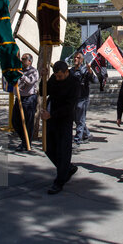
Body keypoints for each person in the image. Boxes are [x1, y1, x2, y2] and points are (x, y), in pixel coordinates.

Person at [42, 61, 80, 194]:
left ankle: (59, 181)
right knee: (48, 147)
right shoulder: (53, 77)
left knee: (63, 151)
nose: (57, 79)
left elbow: (69, 107)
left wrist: (51, 115)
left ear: (66, 72)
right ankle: (66, 169)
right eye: (56, 76)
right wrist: (44, 78)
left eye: (60, 76)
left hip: (64, 119)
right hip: (50, 119)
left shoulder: (74, 82)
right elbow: (43, 92)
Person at [69, 52, 97, 145]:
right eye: (75, 57)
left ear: (82, 60)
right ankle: (87, 134)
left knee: (80, 119)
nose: (76, 59)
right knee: (76, 119)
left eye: (78, 57)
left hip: (82, 98)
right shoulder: (71, 71)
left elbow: (94, 80)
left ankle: (78, 139)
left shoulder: (85, 70)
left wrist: (90, 71)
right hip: (73, 98)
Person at [14, 53, 39, 152]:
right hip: (19, 98)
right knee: (15, 121)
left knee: (28, 122)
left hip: (29, 99)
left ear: (29, 61)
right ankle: (23, 139)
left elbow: (31, 81)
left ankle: (26, 143)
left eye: (24, 59)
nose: (21, 60)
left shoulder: (34, 71)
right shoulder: (19, 70)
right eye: (21, 58)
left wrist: (22, 75)